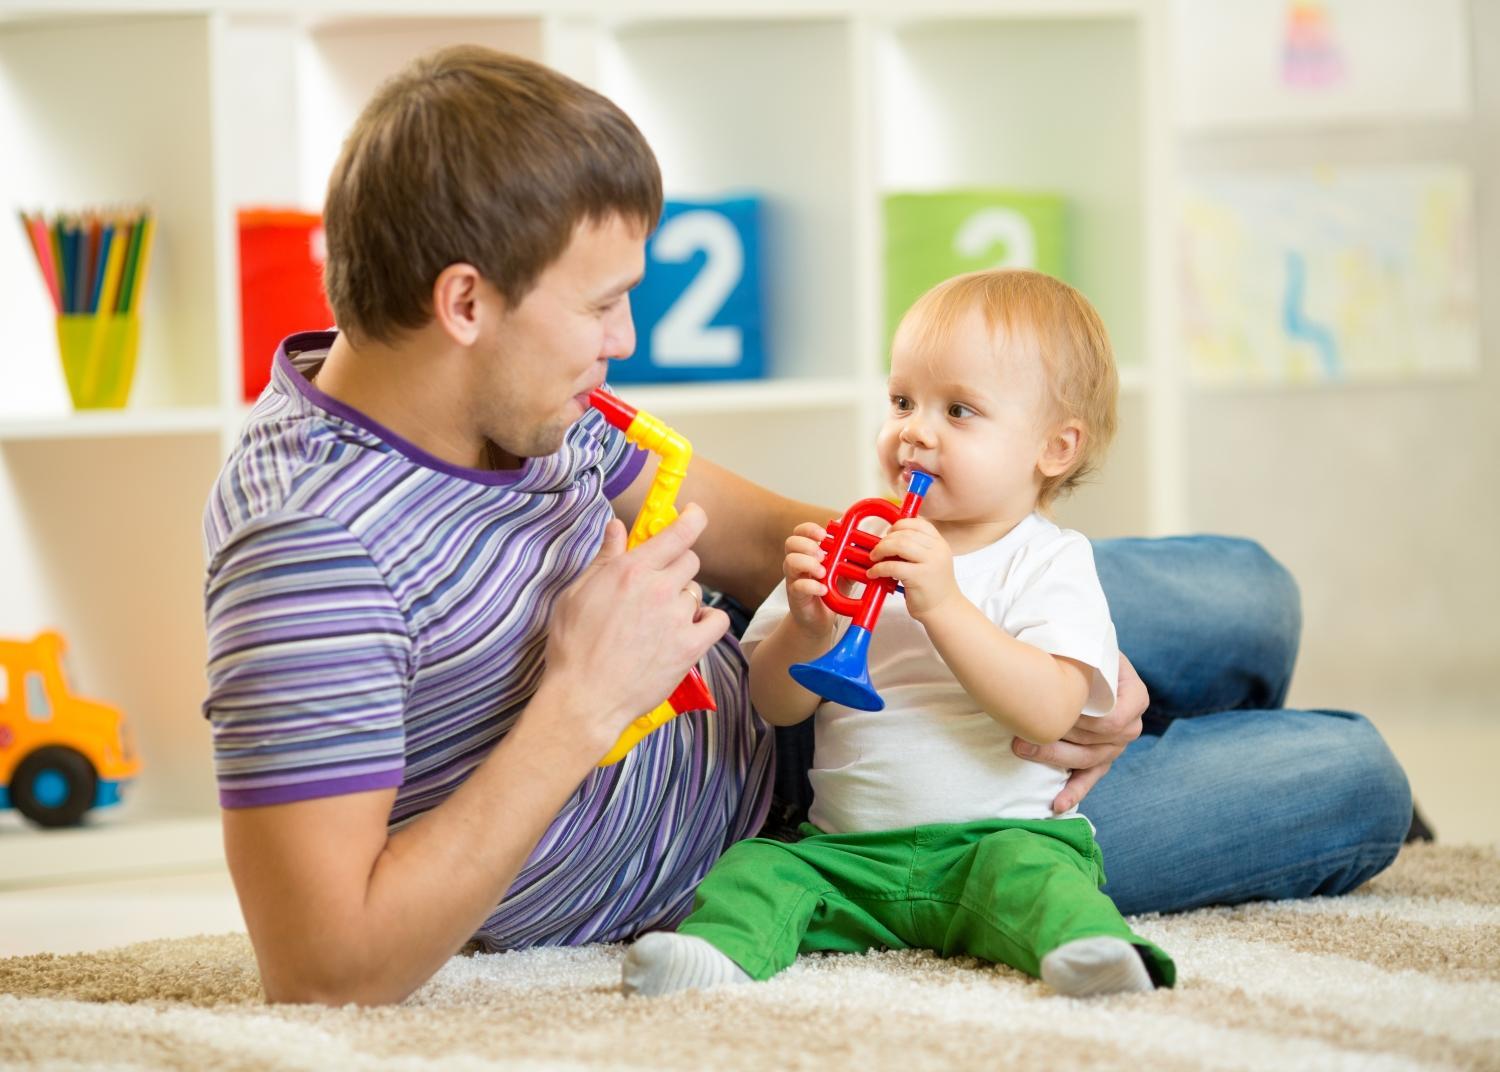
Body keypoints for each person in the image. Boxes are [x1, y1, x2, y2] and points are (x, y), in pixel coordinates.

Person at [201, 44, 1410, 1008]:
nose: (626, 342)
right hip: (823, 831)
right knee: (1347, 777)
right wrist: (582, 700)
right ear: (464, 300)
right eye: (607, 303)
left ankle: (1141, 708)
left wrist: (1024, 627)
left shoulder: (507, 390)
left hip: (784, 661)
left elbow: (739, 522)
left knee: (1249, 593)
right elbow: (324, 966)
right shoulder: (312, 550)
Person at [623, 269, 1177, 998]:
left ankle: (1091, 951)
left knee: (1046, 885)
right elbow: (774, 706)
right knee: (758, 870)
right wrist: (809, 627)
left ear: (1055, 448)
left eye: (960, 410)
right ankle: (714, 957)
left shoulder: (1051, 560)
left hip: (1000, 842)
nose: (915, 430)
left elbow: (1048, 712)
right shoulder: (853, 541)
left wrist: (944, 605)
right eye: (903, 401)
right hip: (845, 854)